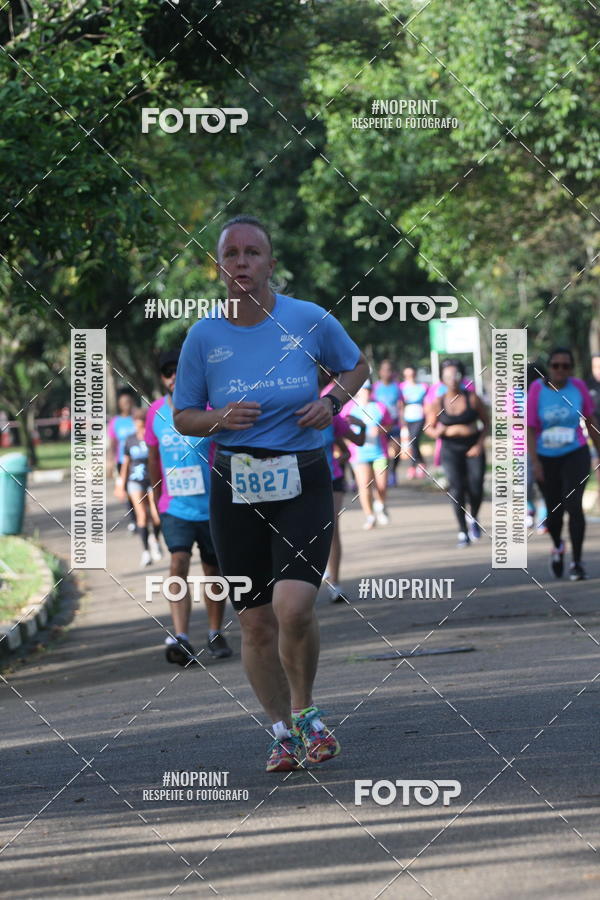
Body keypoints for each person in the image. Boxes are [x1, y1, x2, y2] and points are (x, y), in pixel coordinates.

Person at [173, 215, 369, 772]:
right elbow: (183, 415)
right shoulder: (203, 336)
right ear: (219, 267)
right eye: (230, 254)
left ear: (270, 263)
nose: (241, 263)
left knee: (294, 607)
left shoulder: (307, 319)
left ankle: (306, 713)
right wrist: (218, 418)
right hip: (234, 484)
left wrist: (331, 403)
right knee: (256, 621)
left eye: (252, 253)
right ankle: (281, 731)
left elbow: (358, 366)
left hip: (302, 475)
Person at [146, 350, 233, 664]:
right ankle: (181, 636)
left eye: (177, 371)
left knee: (213, 569)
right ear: (162, 378)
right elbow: (153, 457)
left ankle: (214, 631)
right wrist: (157, 497)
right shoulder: (155, 412)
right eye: (167, 373)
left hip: (211, 506)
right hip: (175, 506)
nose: (172, 378)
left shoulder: (209, 409)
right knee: (177, 562)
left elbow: (226, 451)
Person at [527, 347, 600, 580]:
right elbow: (529, 428)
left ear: (571, 368)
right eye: (556, 365)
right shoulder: (537, 389)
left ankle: (577, 563)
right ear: (549, 367)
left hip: (575, 453)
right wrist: (535, 462)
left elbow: (590, 421)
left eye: (566, 366)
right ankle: (558, 545)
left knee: (574, 505)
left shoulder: (577, 387)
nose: (561, 370)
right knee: (555, 512)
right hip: (546, 457)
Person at [426, 359, 489, 547]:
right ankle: (462, 531)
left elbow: (486, 423)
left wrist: (479, 444)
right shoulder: (438, 402)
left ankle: (473, 517)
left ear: (462, 377)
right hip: (450, 449)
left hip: (473, 447)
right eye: (448, 376)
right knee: (457, 489)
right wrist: (438, 432)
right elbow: (429, 427)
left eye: (456, 375)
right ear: (442, 379)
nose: (452, 379)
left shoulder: (472, 398)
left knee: (476, 487)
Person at [319, 369, 366, 603]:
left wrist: (362, 426)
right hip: (300, 480)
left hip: (332, 478)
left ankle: (334, 583)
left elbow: (355, 444)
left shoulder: (330, 412)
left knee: (331, 527)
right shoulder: (289, 412)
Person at [116, 408, 163, 567]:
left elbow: (158, 460)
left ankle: (155, 540)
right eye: (137, 426)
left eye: (142, 426)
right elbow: (125, 463)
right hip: (135, 480)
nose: (140, 429)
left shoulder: (152, 438)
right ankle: (145, 552)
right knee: (141, 516)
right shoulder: (129, 440)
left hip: (152, 480)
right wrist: (120, 484)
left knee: (156, 515)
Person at [348, 382, 393, 529]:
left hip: (379, 453)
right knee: (364, 485)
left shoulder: (379, 407)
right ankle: (369, 516)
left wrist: (381, 430)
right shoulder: (350, 408)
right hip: (359, 454)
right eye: (362, 389)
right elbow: (341, 428)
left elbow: (389, 425)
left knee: (381, 485)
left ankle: (380, 505)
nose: (365, 392)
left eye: (368, 389)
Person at [108, 387, 137, 533]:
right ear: (119, 404)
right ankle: (134, 519)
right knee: (127, 491)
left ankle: (144, 516)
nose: (126, 404)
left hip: (138, 460)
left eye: (129, 401)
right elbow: (113, 443)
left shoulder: (137, 418)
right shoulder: (115, 422)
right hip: (121, 462)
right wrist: (111, 462)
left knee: (140, 489)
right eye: (123, 402)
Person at [372, 360, 402, 486]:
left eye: (389, 370)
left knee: (395, 450)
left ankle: (392, 471)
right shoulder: (375, 387)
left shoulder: (396, 387)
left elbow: (401, 405)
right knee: (382, 451)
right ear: (380, 372)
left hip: (394, 424)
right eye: (384, 370)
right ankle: (381, 474)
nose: (387, 373)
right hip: (380, 424)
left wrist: (403, 423)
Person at [398, 365, 428, 479]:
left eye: (412, 374)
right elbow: (400, 404)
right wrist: (401, 419)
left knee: (414, 440)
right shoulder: (401, 387)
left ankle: (416, 465)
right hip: (407, 416)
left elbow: (427, 403)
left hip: (420, 416)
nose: (410, 377)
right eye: (407, 375)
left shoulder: (423, 387)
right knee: (411, 442)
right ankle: (418, 464)